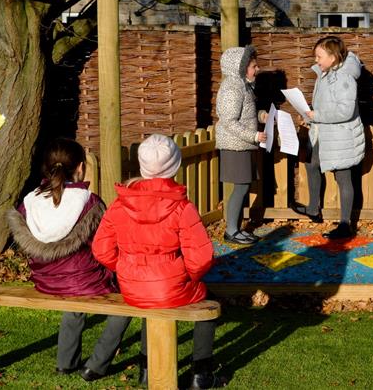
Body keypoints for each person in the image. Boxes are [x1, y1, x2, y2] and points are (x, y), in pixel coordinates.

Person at [92, 133, 226, 389]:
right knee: (207, 307)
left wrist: (125, 268)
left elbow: (101, 249)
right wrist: (187, 275)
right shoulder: (181, 207)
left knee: (150, 304)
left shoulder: (120, 204)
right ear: (175, 166)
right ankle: (201, 375)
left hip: (132, 286)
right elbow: (201, 258)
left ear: (142, 166)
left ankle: (146, 368)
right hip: (170, 286)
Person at [6, 138, 131, 382]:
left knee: (75, 296)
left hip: (45, 281)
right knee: (128, 304)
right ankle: (96, 365)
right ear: (81, 168)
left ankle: (66, 363)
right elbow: (106, 246)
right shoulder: (90, 203)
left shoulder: (29, 203)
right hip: (85, 281)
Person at [291, 35, 365, 239]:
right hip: (325, 133)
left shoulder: (344, 77)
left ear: (332, 57)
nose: (316, 60)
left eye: (319, 56)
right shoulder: (325, 74)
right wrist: (311, 118)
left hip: (341, 137)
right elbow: (327, 106)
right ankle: (314, 209)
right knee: (311, 163)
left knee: (343, 177)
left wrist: (317, 116)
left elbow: (345, 111)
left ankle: (345, 225)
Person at [215, 44, 267, 245]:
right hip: (236, 145)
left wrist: (262, 116)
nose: (257, 69)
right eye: (254, 66)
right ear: (240, 67)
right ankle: (231, 231)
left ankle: (235, 229)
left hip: (243, 144)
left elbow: (245, 114)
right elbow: (229, 121)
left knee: (243, 186)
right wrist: (254, 136)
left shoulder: (243, 86)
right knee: (241, 187)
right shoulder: (232, 89)